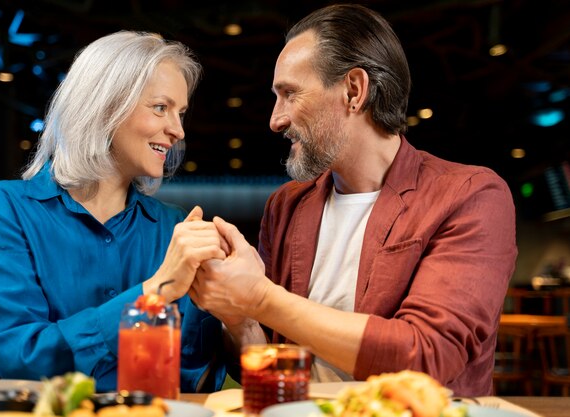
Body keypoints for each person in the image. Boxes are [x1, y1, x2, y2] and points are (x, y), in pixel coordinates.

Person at [190, 4, 517, 396]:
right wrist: (238, 316)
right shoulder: (287, 205)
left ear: (354, 91)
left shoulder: (471, 194)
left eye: (290, 94)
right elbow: (272, 368)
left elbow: (428, 357)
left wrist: (259, 297)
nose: (275, 119)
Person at [0, 31, 229, 392]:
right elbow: (23, 360)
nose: (177, 130)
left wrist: (231, 303)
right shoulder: (5, 209)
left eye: (180, 113)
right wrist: (155, 290)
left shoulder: (174, 226)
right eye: (160, 107)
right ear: (106, 105)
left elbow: (193, 375)